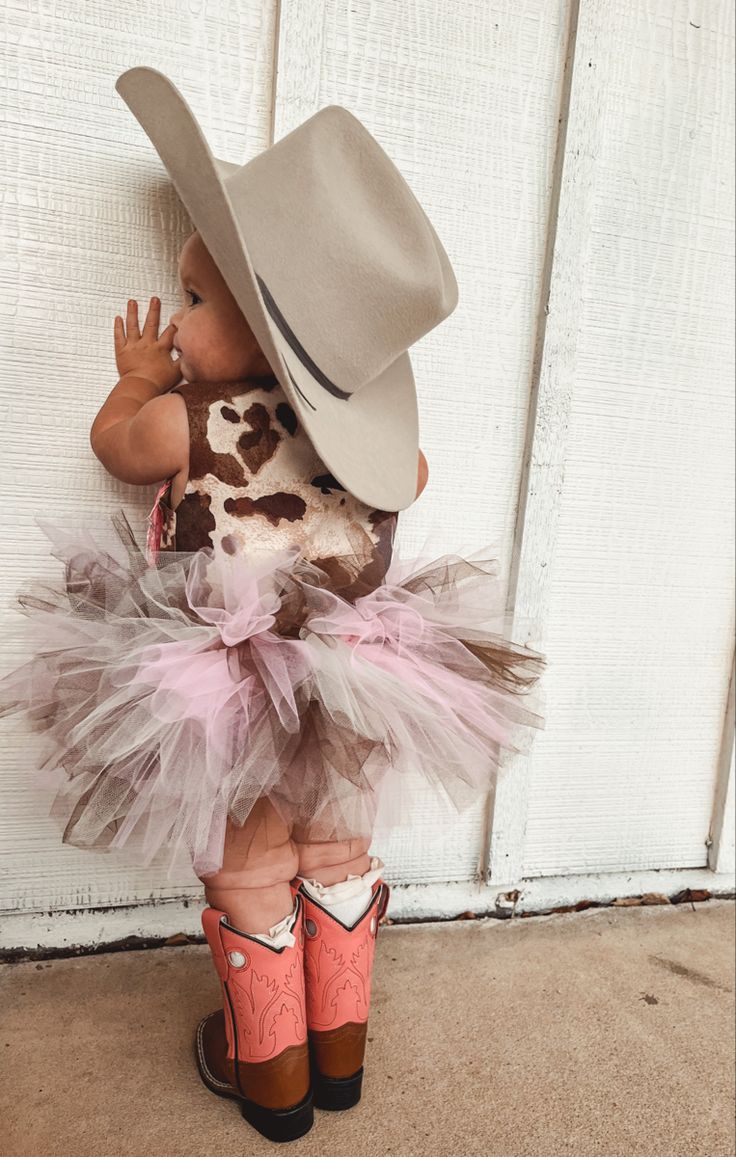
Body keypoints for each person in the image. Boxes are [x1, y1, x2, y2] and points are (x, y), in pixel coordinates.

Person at [0, 68, 546, 1143]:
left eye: (197, 303)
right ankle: (338, 1052)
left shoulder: (189, 424)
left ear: (257, 330)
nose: (183, 318)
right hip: (364, 671)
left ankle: (271, 1072)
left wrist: (136, 379)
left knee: (250, 859)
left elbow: (116, 449)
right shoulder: (377, 450)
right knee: (338, 851)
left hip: (226, 680)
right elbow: (415, 477)